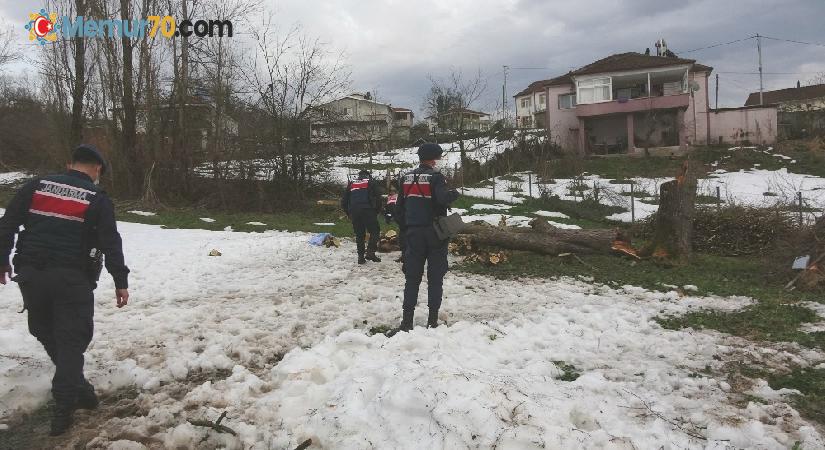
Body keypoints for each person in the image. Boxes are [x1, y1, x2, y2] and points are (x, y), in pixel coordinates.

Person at [0, 144, 130, 436]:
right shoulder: (97, 198)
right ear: (96, 169)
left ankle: (79, 388)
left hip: (32, 275)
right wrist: (120, 280)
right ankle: (65, 406)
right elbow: (111, 242)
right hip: (71, 279)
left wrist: (2, 259)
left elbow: (7, 223)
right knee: (71, 341)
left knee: (44, 331)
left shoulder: (37, 186)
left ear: (69, 163)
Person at [390, 143, 459, 334]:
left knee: (412, 278)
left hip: (413, 233)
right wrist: (454, 193)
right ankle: (432, 321)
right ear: (433, 159)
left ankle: (406, 322)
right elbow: (442, 199)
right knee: (435, 278)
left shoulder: (405, 178)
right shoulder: (436, 177)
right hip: (435, 233)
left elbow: (398, 209)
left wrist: (407, 228)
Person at [341, 169, 383, 264]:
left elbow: (344, 201)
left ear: (359, 176)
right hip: (368, 210)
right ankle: (370, 252)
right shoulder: (371, 182)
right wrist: (376, 211)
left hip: (355, 212)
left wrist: (348, 213)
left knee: (359, 234)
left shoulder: (352, 183)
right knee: (375, 231)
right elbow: (378, 198)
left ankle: (360, 257)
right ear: (368, 175)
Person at [383, 181, 406, 262]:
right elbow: (388, 208)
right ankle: (404, 255)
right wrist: (388, 216)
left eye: (394, 190)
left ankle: (405, 256)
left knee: (403, 235)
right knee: (402, 236)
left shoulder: (399, 196)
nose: (392, 192)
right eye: (390, 190)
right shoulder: (390, 198)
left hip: (401, 216)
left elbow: (398, 207)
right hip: (396, 216)